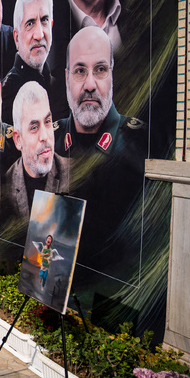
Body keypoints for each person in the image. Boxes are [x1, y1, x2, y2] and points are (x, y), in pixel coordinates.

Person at [53, 27, 146, 274]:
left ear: (112, 75)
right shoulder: (48, 140)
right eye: (80, 71)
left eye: (101, 70)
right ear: (66, 77)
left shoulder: (142, 142)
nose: (90, 85)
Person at [4, 82, 69, 220]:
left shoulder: (74, 173)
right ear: (18, 140)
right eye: (34, 127)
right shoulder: (5, 185)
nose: (45, 136)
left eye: (48, 121)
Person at [2, 0, 56, 123]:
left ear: (51, 26)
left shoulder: (57, 86)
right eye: (30, 23)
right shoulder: (7, 95)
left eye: (44, 20)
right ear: (17, 38)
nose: (39, 34)